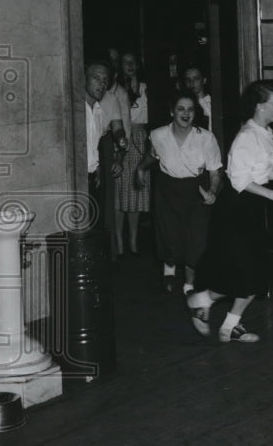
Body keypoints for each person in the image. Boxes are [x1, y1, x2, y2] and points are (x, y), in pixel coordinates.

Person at [186, 80, 273, 343]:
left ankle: (229, 326)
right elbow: (239, 179)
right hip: (235, 210)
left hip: (251, 206)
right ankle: (201, 300)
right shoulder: (246, 137)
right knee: (242, 272)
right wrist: (272, 193)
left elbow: (258, 171)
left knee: (255, 273)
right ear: (260, 106)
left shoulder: (263, 133)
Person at [135, 92, 222, 296]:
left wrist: (212, 191)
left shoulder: (206, 138)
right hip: (168, 190)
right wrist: (140, 169)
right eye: (181, 109)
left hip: (197, 190)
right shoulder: (158, 135)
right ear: (172, 111)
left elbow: (215, 172)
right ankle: (169, 267)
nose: (186, 114)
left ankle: (189, 286)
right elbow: (151, 156)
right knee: (169, 237)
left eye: (191, 109)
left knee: (197, 240)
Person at [112, 52, 150, 256]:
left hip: (140, 139)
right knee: (119, 194)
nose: (130, 65)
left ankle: (133, 242)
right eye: (126, 62)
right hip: (121, 139)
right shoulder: (115, 89)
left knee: (135, 193)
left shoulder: (145, 88)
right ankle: (119, 241)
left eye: (133, 61)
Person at [84, 60, 126, 235]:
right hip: (77, 179)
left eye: (105, 80)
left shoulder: (99, 110)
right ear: (84, 79)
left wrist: (99, 169)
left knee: (94, 225)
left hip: (93, 176)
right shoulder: (78, 108)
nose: (101, 84)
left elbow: (95, 145)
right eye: (96, 78)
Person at [182, 65, 212, 130]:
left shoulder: (212, 103)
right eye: (188, 79)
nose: (191, 83)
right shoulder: (181, 103)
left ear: (204, 80)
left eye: (196, 79)